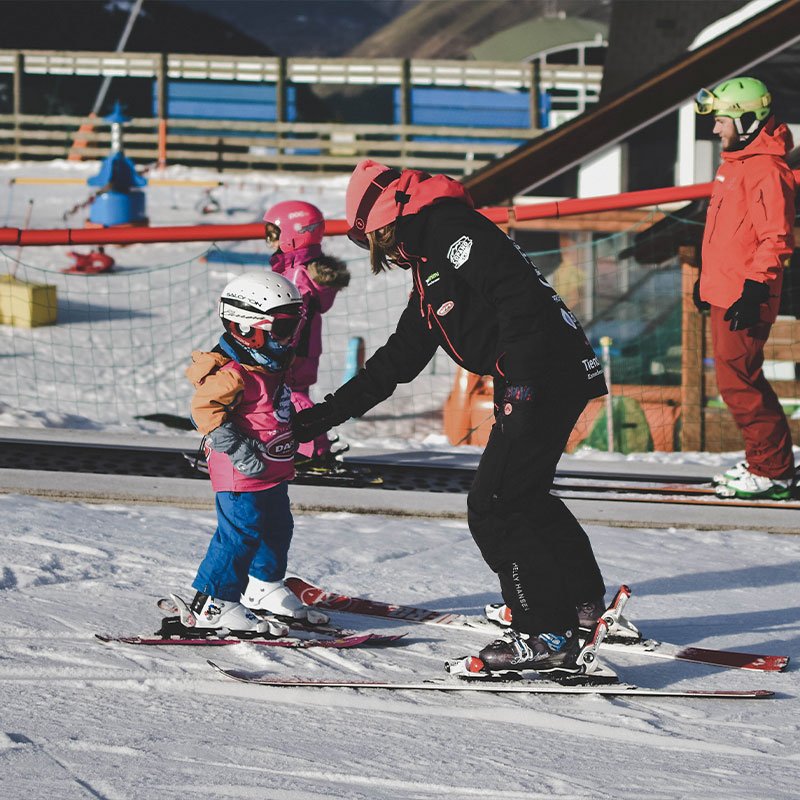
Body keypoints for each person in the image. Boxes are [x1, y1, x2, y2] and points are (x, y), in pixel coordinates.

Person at [292, 159, 608, 677]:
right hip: (550, 375)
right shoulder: (430, 262)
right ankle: (580, 606)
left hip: (544, 376)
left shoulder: (452, 231)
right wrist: (323, 416)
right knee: (522, 495)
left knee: (495, 503)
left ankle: (543, 631)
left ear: (386, 219)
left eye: (374, 239)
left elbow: (519, 298)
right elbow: (396, 361)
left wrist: (521, 383)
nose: (382, 253)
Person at [175, 271, 327, 636]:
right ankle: (215, 603)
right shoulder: (233, 372)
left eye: (293, 327)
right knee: (239, 534)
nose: (288, 338)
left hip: (271, 469)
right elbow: (204, 411)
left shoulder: (268, 363)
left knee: (277, 528)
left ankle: (263, 586)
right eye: (281, 329)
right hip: (240, 472)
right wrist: (237, 447)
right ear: (245, 329)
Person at [694, 77, 796, 500]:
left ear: (747, 120)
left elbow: (776, 237)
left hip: (748, 294)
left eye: (722, 121)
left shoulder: (767, 170)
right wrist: (707, 281)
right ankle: (765, 462)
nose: (716, 129)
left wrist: (756, 288)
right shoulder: (734, 164)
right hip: (727, 290)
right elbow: (726, 234)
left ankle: (772, 469)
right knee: (734, 379)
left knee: (739, 382)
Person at [263, 201, 351, 470]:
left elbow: (295, 316)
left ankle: (314, 449)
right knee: (289, 395)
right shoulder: (299, 268)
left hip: (296, 350)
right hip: (303, 349)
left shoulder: (299, 274)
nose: (268, 241)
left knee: (290, 395)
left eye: (273, 234)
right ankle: (296, 445)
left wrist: (280, 346)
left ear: (293, 235)